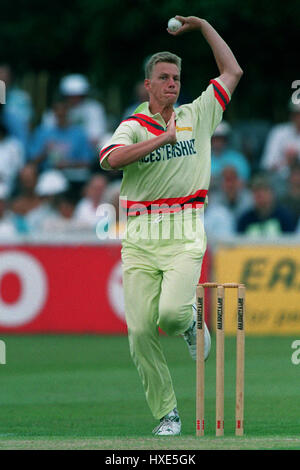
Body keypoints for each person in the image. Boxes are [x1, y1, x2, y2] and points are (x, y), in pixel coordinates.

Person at [99, 15, 243, 435]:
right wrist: (160, 140)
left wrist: (201, 26)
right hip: (140, 238)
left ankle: (192, 321)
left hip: (183, 232)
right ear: (148, 85)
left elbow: (232, 71)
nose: (172, 84)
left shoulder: (197, 115)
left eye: (176, 77)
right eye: (163, 78)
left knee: (173, 315)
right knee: (141, 330)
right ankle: (168, 413)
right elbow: (108, 160)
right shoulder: (133, 126)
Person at [210, 120, 250, 187]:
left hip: (235, 193)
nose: (218, 142)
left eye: (221, 138)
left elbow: (244, 180)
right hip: (211, 194)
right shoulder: (203, 159)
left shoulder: (238, 158)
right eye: (215, 138)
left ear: (226, 139)